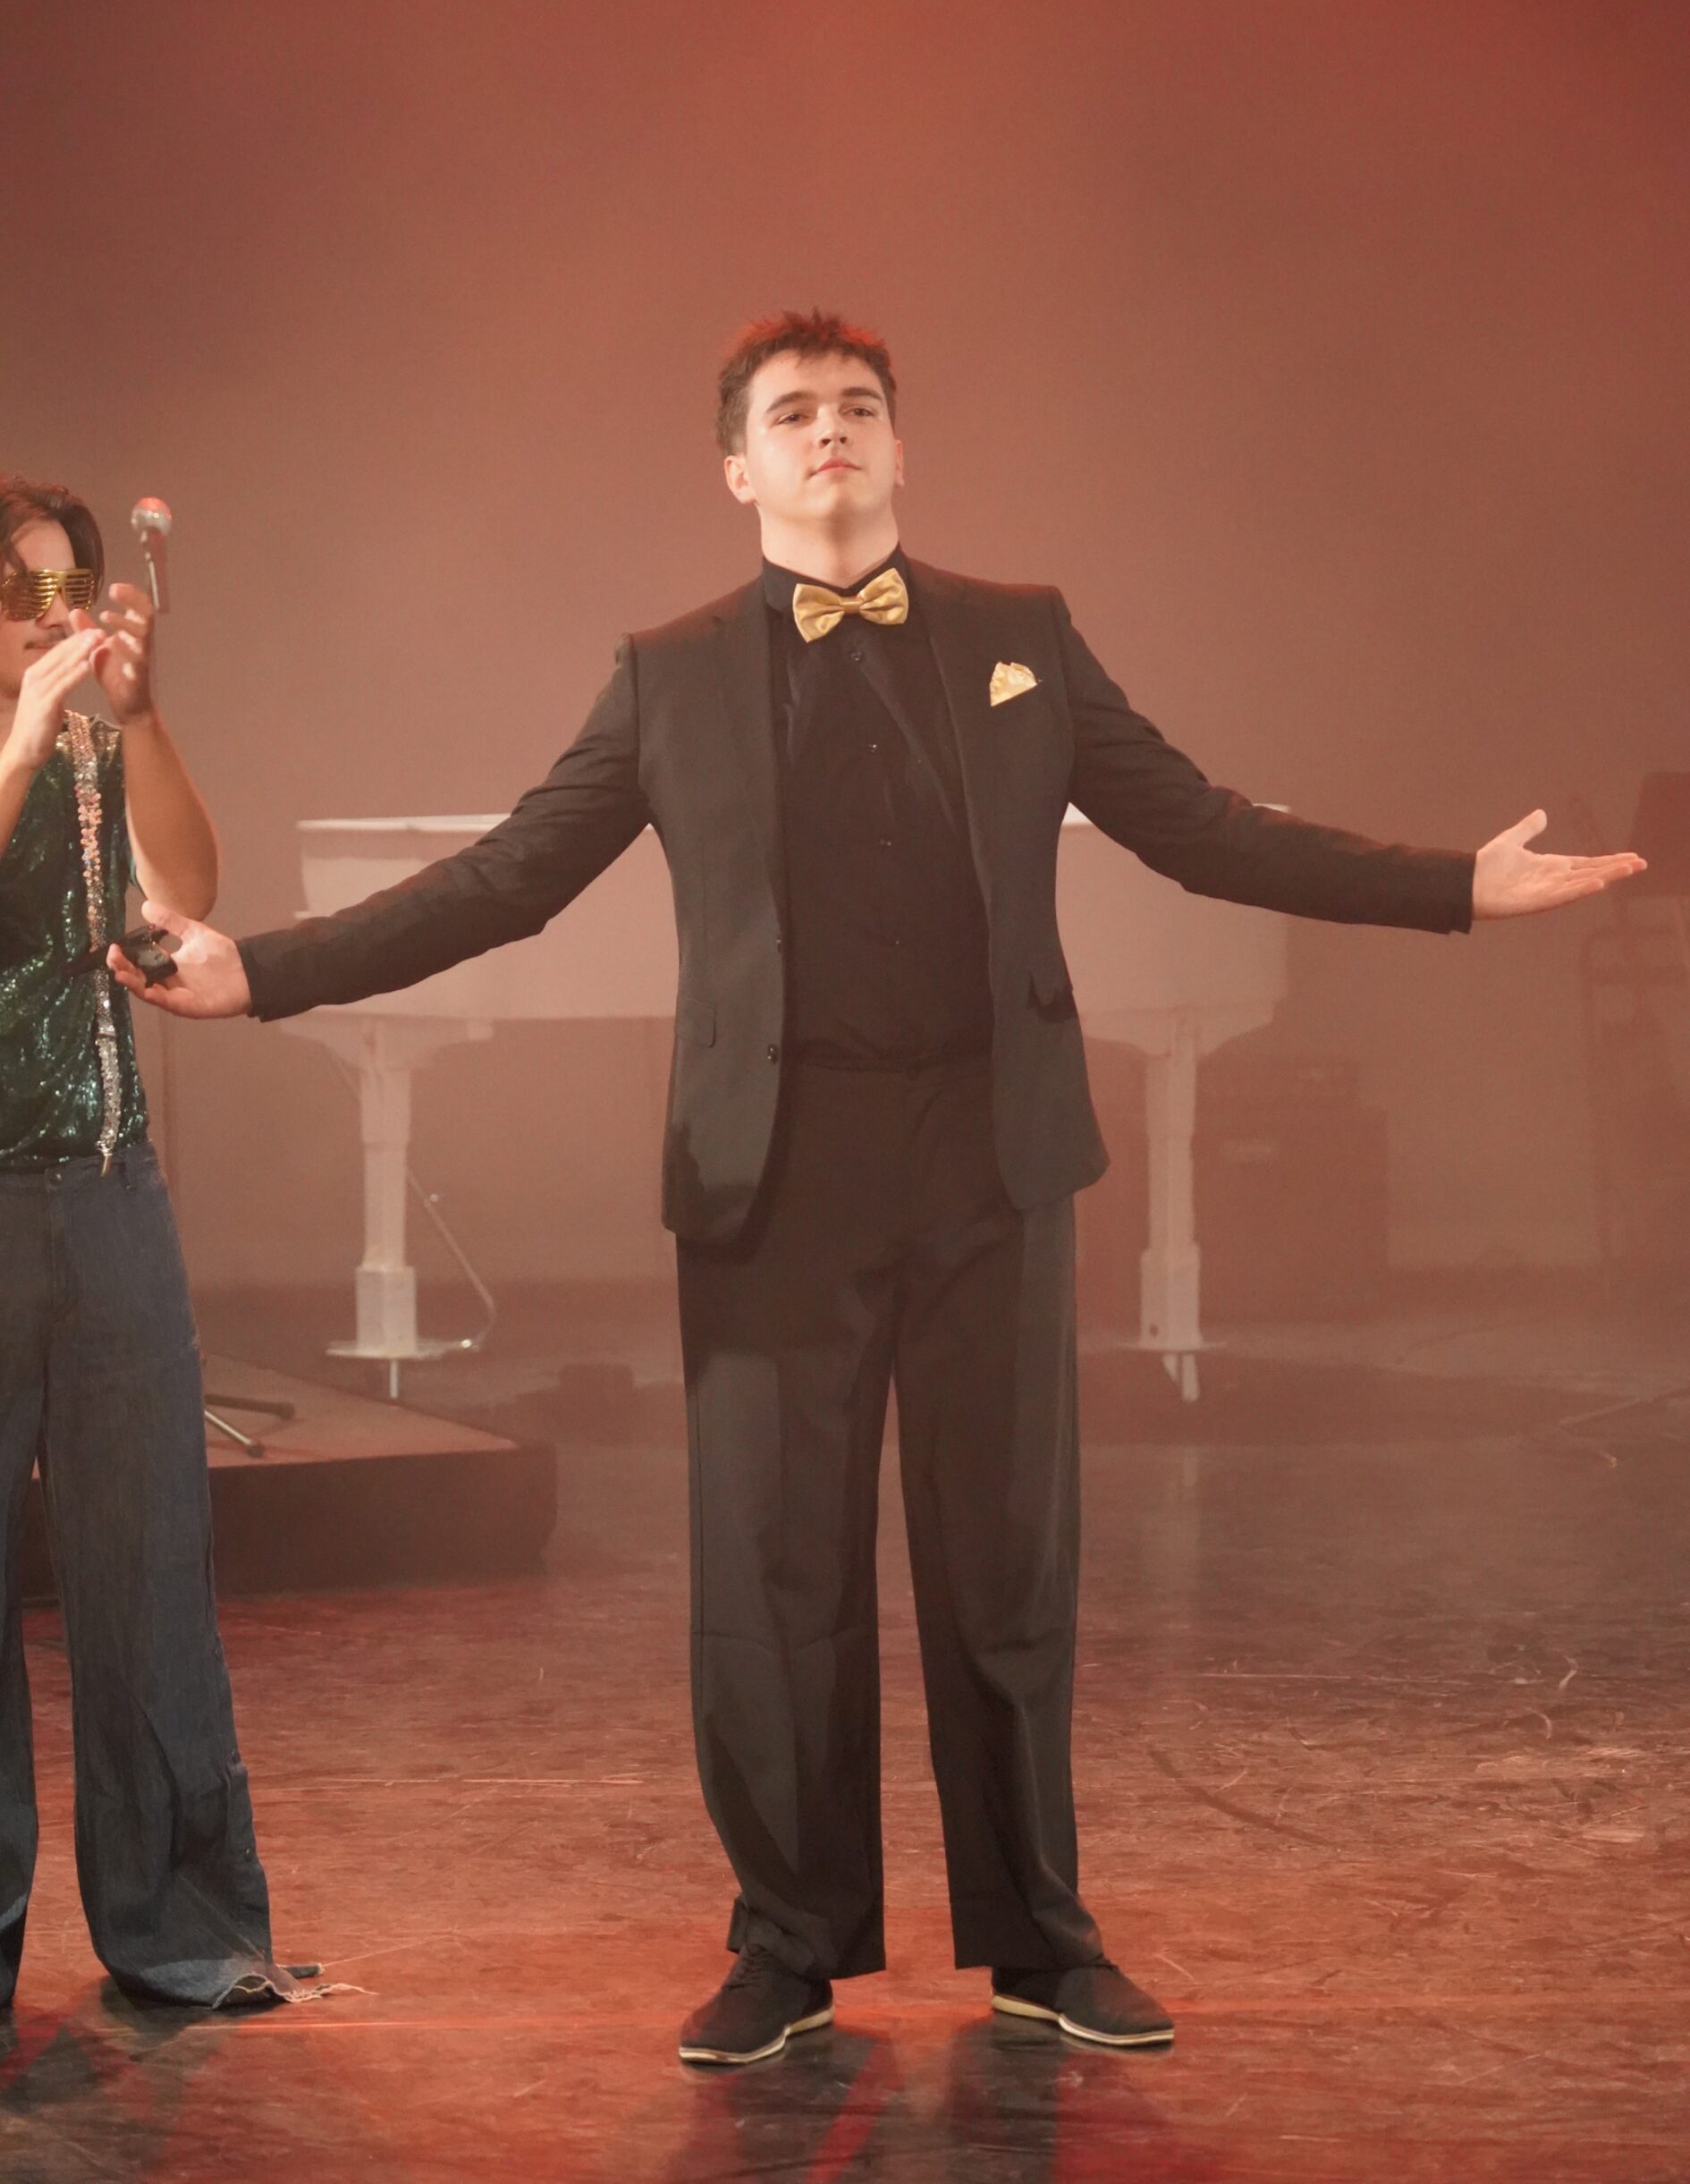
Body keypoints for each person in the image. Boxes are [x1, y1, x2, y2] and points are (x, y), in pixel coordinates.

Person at [111, 313, 1644, 2061]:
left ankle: (1041, 1941)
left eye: (856, 407)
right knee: (774, 1583)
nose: (827, 430)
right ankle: (787, 1947)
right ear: (738, 468)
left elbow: (1203, 826)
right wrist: (263, 971)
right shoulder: (670, 673)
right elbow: (505, 879)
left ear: (899, 449)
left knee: (1007, 1571)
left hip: (991, 1165)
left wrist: (1454, 886)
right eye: (791, 413)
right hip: (773, 1180)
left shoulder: (1020, 637)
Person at [0, 474, 313, 2010]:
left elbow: (188, 893)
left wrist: (135, 718)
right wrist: (19, 740)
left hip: (108, 1190)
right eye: (20, 591)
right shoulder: (25, 750)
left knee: (147, 1569)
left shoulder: (85, 749)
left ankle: (183, 1929)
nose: (47, 617)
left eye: (66, 589)